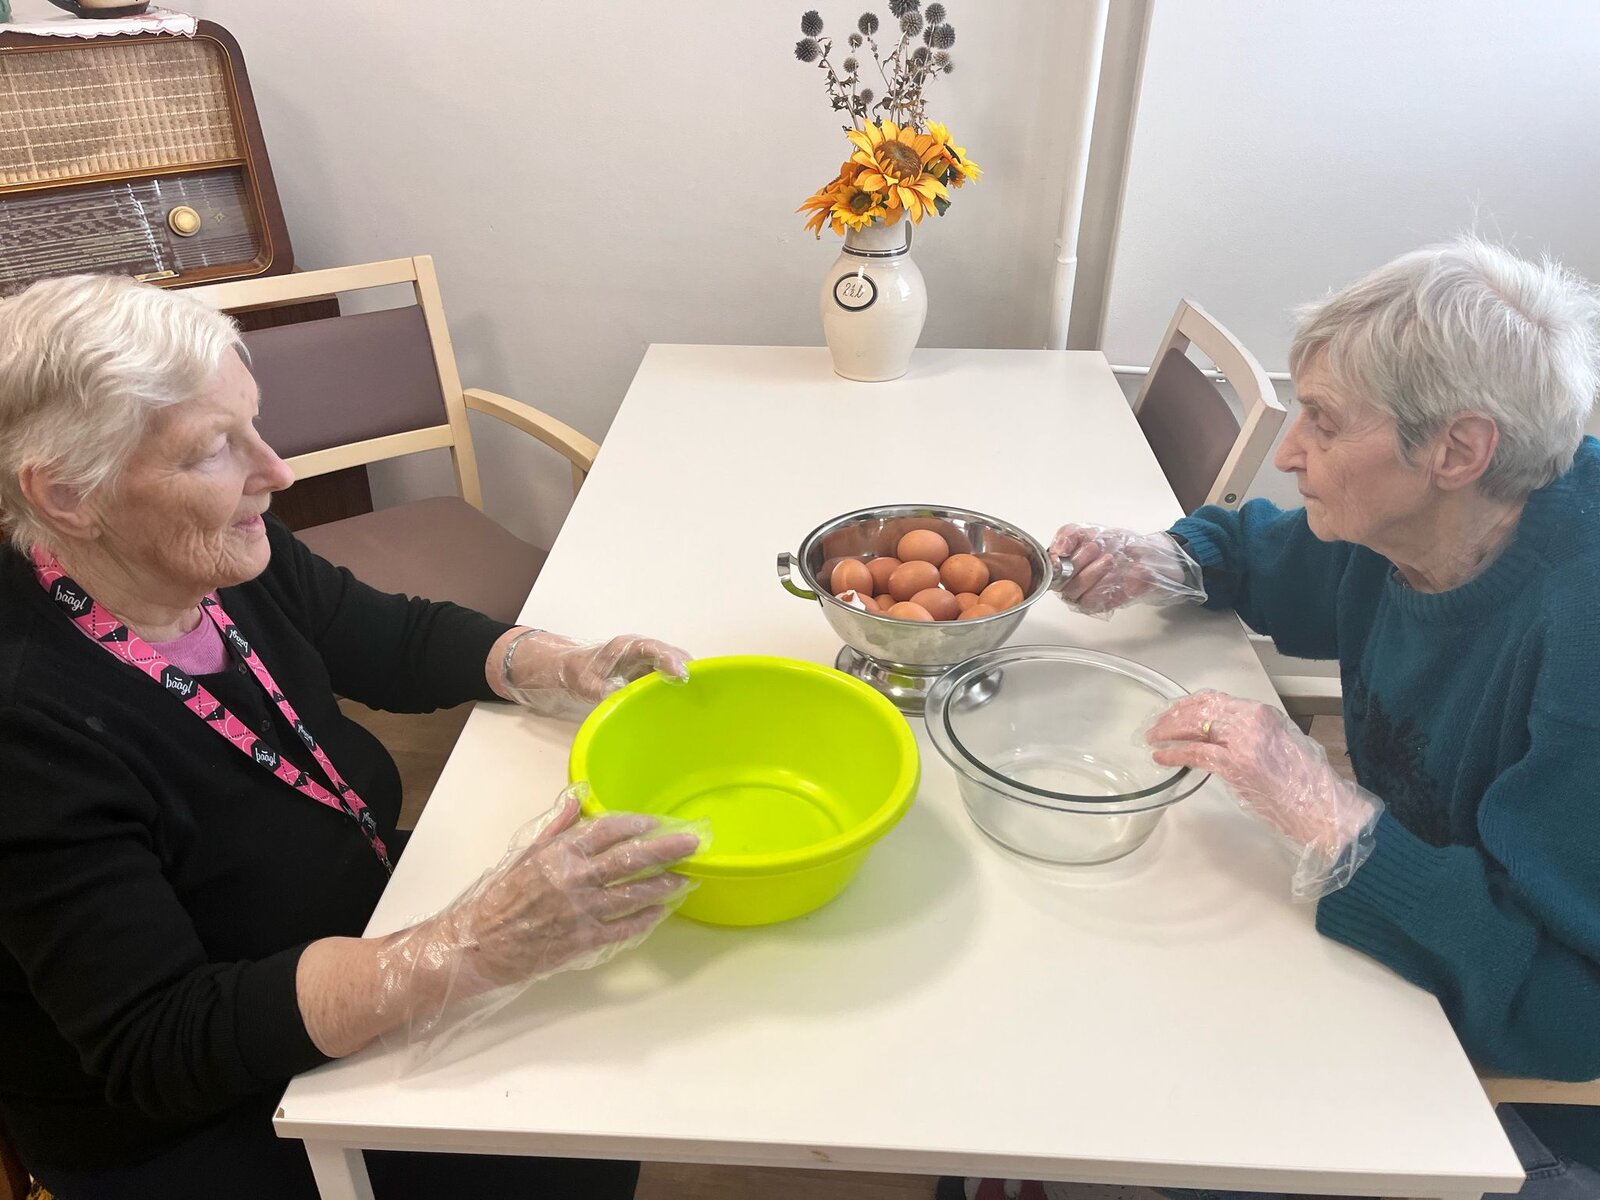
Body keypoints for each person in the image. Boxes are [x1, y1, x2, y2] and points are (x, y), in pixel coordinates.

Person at [0, 274, 701, 1199]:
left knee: (601, 1047)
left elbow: (389, 637)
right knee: (563, 1144)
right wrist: (463, 949)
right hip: (192, 1108)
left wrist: (559, 664)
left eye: (254, 424)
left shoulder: (206, 551)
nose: (275, 472)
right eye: (213, 449)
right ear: (67, 496)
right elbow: (159, 1044)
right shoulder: (29, 728)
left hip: (345, 913)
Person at [951, 238, 1600, 1200]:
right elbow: (1283, 560)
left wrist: (1338, 823)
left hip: (1505, 1081)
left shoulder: (1579, 645)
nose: (1290, 453)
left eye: (1324, 424)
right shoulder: (1426, 517)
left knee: (1143, 1083)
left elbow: (1566, 1012)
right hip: (1422, 928)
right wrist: (1171, 561)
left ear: (1459, 451)